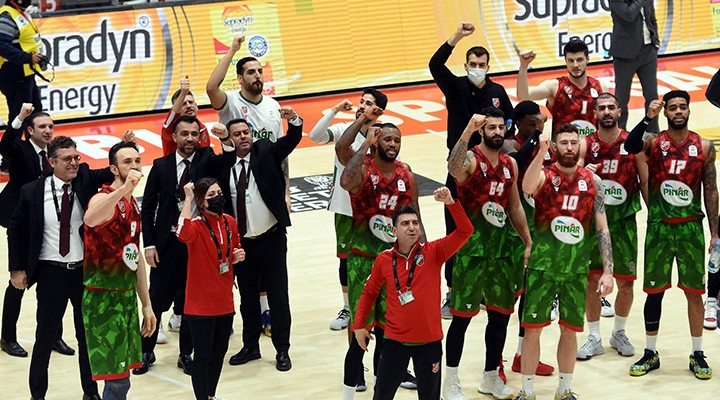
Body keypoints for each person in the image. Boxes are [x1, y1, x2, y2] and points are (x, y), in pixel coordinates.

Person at [8, 135, 115, 400]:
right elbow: (15, 229)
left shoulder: (85, 179)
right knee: (44, 338)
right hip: (50, 273)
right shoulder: (32, 191)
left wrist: (125, 148)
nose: (74, 163)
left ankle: (91, 393)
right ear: (52, 162)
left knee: (86, 337)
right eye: (67, 159)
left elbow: (112, 171)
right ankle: (37, 395)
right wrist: (16, 268)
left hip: (83, 273)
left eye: (76, 157)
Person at [624, 91, 718, 380]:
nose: (678, 111)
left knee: (694, 293)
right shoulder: (654, 142)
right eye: (673, 107)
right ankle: (650, 352)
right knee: (654, 293)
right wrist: (647, 118)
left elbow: (711, 190)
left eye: (682, 107)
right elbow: (630, 145)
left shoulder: (704, 146)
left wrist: (715, 233)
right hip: (659, 227)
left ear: (689, 111)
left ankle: (698, 353)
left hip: (691, 228)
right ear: (665, 112)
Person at [516, 124, 615, 400]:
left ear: (580, 145)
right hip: (542, 267)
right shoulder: (545, 176)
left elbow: (602, 229)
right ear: (555, 146)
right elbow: (526, 186)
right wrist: (541, 152)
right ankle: (527, 391)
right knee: (532, 331)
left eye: (574, 142)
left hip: (576, 269)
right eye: (564, 143)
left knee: (570, 331)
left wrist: (608, 270)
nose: (569, 147)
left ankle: (564, 389)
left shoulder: (593, 181)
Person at [135, 116, 236, 375]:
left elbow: (228, 160)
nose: (190, 138)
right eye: (184, 134)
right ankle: (145, 351)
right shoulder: (161, 166)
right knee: (156, 299)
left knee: (191, 301)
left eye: (194, 133)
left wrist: (225, 139)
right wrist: (149, 244)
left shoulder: (206, 159)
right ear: (174, 137)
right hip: (168, 243)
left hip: (197, 243)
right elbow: (148, 207)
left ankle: (185, 354)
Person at [443, 109, 532, 400]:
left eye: (500, 127)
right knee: (461, 319)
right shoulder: (471, 159)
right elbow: (453, 168)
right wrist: (467, 130)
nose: (496, 132)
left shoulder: (510, 164)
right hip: (471, 252)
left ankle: (490, 377)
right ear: (482, 131)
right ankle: (451, 382)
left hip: (502, 254)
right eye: (491, 127)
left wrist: (528, 241)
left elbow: (515, 206)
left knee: (500, 318)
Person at [353, 187, 473, 400]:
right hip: (395, 342)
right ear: (394, 230)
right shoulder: (383, 260)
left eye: (415, 223)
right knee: (381, 396)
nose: (411, 227)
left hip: (429, 343)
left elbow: (465, 231)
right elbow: (369, 293)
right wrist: (359, 325)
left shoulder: (434, 252)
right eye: (405, 223)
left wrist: (451, 203)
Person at [429, 21, 514, 317]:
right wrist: (457, 36)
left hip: (489, 169)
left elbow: (510, 122)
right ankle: (452, 292)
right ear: (466, 66)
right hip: (459, 165)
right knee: (454, 228)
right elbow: (435, 65)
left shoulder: (497, 91)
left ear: (488, 66)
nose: (477, 68)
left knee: (488, 225)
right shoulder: (455, 86)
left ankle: (485, 289)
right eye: (472, 64)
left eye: (481, 64)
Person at [207, 35, 288, 335]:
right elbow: (211, 88)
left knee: (266, 253)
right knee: (237, 256)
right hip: (235, 184)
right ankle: (226, 315)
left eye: (260, 71)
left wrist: (286, 191)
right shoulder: (230, 102)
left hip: (265, 187)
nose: (257, 76)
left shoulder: (273, 106)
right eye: (251, 72)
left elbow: (281, 155)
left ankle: (267, 315)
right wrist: (232, 50)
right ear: (240, 78)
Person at [337, 112, 421, 399]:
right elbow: (345, 182)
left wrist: (421, 252)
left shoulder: (406, 174)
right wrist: (364, 142)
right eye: (387, 139)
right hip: (363, 260)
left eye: (397, 140)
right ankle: (351, 387)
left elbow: (415, 215)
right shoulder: (363, 168)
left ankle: (382, 383)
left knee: (389, 330)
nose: (393, 144)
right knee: (359, 328)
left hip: (394, 262)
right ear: (376, 141)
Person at [225, 106, 302, 372]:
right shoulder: (224, 165)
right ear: (229, 139)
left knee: (278, 297)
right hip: (242, 244)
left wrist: (293, 120)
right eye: (237, 134)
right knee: (247, 299)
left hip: (272, 239)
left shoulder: (266, 151)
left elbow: (292, 139)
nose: (243, 137)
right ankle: (250, 346)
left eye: (246, 132)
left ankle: (282, 349)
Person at [307, 89, 388, 331]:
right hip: (344, 208)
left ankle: (379, 303)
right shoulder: (345, 130)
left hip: (372, 209)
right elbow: (315, 136)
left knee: (375, 257)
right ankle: (347, 307)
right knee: (345, 260)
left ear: (379, 111)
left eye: (368, 103)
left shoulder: (383, 135)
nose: (362, 106)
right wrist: (334, 110)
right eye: (361, 101)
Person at [82, 141, 156, 400]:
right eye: (127, 162)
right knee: (117, 381)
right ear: (114, 169)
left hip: (126, 298)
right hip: (102, 298)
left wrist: (146, 304)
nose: (134, 166)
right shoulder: (103, 197)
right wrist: (124, 189)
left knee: (123, 376)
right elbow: (90, 218)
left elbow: (134, 257)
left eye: (137, 160)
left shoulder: (133, 205)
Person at [575, 93, 646, 361]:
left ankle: (619, 332)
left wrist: (654, 214)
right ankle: (594, 336)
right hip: (594, 224)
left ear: (619, 112)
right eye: (601, 108)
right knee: (592, 280)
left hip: (624, 223)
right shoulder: (585, 144)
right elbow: (574, 180)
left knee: (626, 283)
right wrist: (585, 173)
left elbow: (645, 181)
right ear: (594, 114)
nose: (606, 112)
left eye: (610, 108)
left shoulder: (633, 143)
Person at [0, 103, 74, 358]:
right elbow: (5, 145)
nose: (48, 130)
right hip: (21, 225)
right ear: (30, 130)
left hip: (48, 226)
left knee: (52, 284)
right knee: (18, 282)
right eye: (42, 126)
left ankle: (54, 336)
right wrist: (20, 117)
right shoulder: (20, 149)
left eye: (51, 126)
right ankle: (8, 338)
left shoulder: (55, 153)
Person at [499, 101, 556, 378]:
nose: (537, 128)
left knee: (530, 297)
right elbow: (518, 162)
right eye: (531, 124)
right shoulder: (508, 145)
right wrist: (537, 135)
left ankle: (522, 355)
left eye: (539, 123)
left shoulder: (546, 147)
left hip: (539, 232)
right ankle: (495, 360)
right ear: (518, 123)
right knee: (503, 302)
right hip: (512, 234)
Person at [177, 178, 244, 400]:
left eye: (219, 193)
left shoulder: (230, 222)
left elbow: (231, 250)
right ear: (201, 201)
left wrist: (236, 256)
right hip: (200, 305)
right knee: (203, 356)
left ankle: (210, 395)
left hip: (224, 301)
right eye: (211, 195)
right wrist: (188, 198)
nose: (217, 198)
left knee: (218, 354)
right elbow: (181, 233)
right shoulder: (196, 225)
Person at [517, 39, 607, 137]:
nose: (575, 65)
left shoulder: (600, 86)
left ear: (587, 59)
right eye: (571, 61)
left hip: (593, 145)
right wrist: (523, 67)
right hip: (562, 145)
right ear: (566, 61)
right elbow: (523, 96)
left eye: (580, 60)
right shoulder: (555, 87)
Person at [609, 0, 660, 133]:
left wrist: (655, 42)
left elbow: (652, 18)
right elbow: (629, 14)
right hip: (625, 54)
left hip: (648, 52)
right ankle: (620, 132)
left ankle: (652, 132)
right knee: (622, 98)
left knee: (652, 95)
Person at [0, 0, 43, 123]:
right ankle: (13, 137)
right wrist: (27, 58)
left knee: (35, 111)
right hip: (15, 74)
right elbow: (1, 45)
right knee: (19, 116)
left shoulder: (20, 13)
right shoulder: (7, 17)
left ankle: (33, 136)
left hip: (26, 73)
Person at [161, 76, 210, 157]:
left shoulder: (202, 128)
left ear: (196, 106)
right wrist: (183, 93)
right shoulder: (170, 129)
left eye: (190, 102)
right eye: (184, 104)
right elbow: (174, 113)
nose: (188, 106)